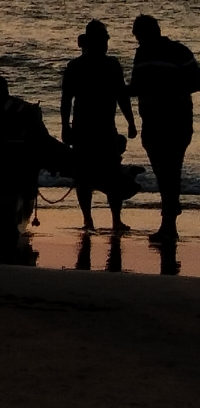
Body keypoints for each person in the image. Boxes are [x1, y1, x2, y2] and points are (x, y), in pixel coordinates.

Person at [128, 14, 200, 242]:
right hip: (151, 121)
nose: (137, 38)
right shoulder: (141, 54)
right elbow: (136, 87)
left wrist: (166, 88)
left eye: (139, 34)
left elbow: (197, 82)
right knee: (163, 172)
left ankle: (169, 222)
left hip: (176, 120)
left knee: (171, 170)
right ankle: (170, 213)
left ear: (152, 31)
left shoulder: (180, 51)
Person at [60, 20, 137, 233]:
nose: (105, 45)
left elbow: (121, 95)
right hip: (84, 128)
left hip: (105, 128)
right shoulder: (76, 66)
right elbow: (66, 99)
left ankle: (115, 220)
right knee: (84, 176)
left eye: (105, 41)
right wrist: (65, 126)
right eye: (102, 41)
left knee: (112, 174)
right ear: (92, 42)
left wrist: (131, 121)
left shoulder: (112, 65)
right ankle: (88, 220)